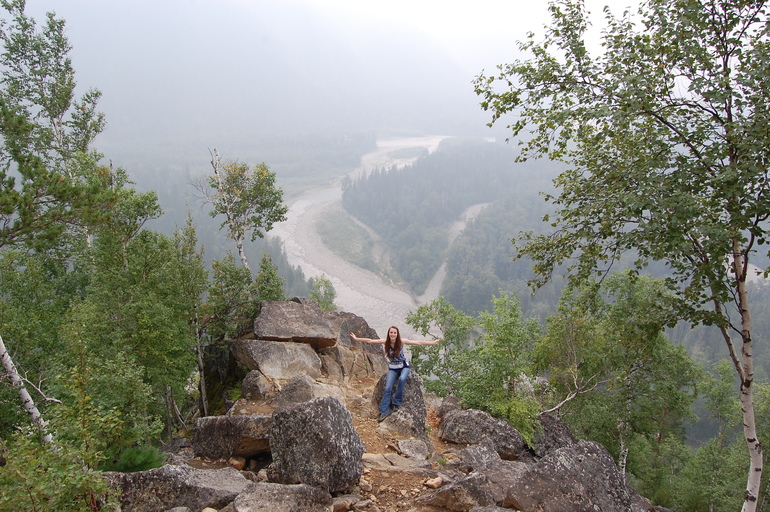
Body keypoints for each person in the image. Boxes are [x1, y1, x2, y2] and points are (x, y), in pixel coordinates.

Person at [350, 326, 441, 422]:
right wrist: (356, 339)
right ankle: (384, 411)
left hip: (404, 367)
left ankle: (397, 403)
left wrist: (432, 343)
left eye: (394, 333)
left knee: (402, 379)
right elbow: (370, 341)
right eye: (391, 332)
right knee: (388, 388)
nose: (393, 334)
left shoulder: (401, 341)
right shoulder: (386, 342)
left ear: (397, 334)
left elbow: (418, 342)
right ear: (388, 333)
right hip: (393, 368)